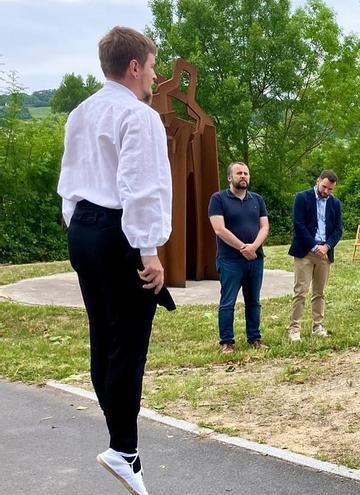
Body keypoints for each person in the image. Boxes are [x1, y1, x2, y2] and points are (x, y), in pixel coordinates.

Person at [57, 26, 171, 495]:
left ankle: (123, 446)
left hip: (83, 229)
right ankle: (124, 449)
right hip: (118, 232)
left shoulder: (81, 113)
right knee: (129, 341)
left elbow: (69, 180)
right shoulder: (138, 117)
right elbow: (140, 188)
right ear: (134, 67)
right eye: (151, 65)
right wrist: (150, 251)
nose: (155, 75)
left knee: (103, 335)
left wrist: (78, 227)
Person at [208, 162, 270, 354]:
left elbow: (265, 227)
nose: (243, 176)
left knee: (254, 301)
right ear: (230, 178)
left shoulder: (257, 199)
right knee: (228, 302)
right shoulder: (218, 199)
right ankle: (227, 342)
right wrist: (243, 247)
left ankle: (255, 338)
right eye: (239, 173)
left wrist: (253, 247)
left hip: (255, 259)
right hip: (230, 260)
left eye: (246, 173)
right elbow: (219, 229)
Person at [288, 170, 343, 341]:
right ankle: (294, 328)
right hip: (305, 251)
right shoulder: (302, 198)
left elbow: (338, 230)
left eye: (330, 189)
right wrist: (314, 246)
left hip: (324, 254)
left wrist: (326, 247)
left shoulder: (335, 203)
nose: (326, 191)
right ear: (318, 180)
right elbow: (299, 225)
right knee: (301, 291)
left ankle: (317, 325)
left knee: (320, 292)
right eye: (324, 187)